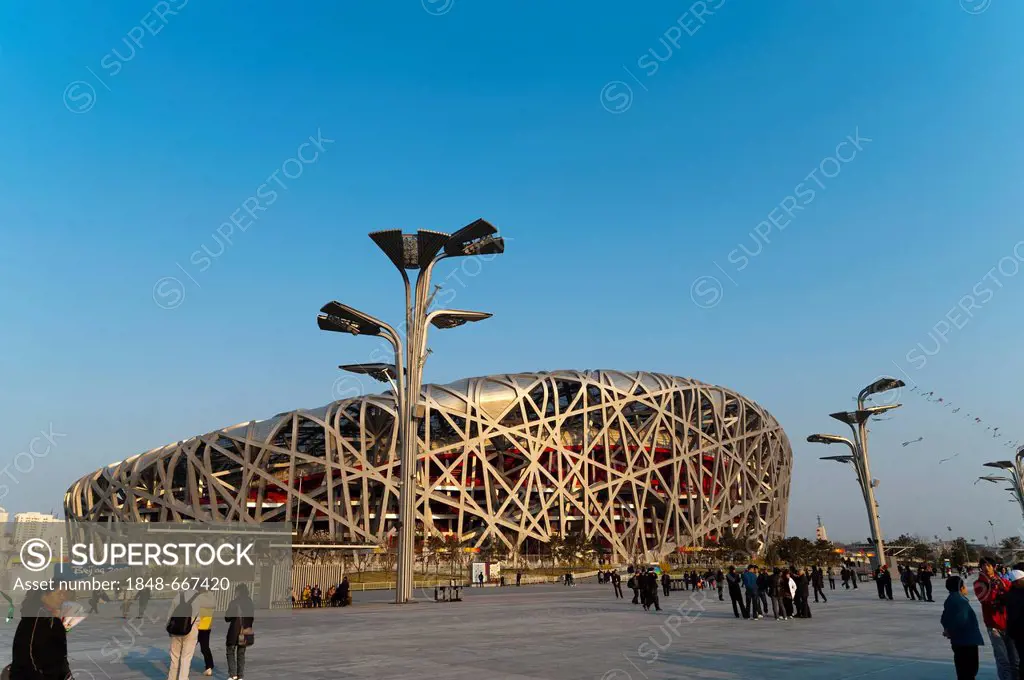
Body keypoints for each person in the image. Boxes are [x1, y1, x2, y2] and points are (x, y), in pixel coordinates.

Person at [10, 582, 72, 680]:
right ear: (44, 596)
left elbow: (61, 656)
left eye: (65, 593)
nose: (63, 597)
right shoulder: (33, 620)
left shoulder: (55, 621)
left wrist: (67, 676)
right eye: (59, 593)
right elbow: (25, 656)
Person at [978, 559, 1020, 680]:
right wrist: (994, 588)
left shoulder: (1003, 580)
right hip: (994, 625)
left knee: (1015, 658)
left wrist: (1003, 587)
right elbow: (984, 599)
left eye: (989, 565)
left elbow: (1013, 595)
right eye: (983, 566)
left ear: (994, 567)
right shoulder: (980, 583)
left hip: (1008, 623)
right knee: (1003, 659)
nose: (986, 568)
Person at [942, 575, 985, 680]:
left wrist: (948, 629)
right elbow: (961, 620)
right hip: (967, 641)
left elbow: (944, 618)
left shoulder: (950, 599)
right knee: (969, 671)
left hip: (959, 641)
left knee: (963, 670)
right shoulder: (960, 601)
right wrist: (950, 631)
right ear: (961, 588)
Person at [166, 587, 201, 680]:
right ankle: (183, 678)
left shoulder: (178, 596)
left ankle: (171, 678)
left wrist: (169, 630)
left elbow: (170, 616)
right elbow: (198, 617)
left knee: (174, 657)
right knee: (186, 658)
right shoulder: (198, 598)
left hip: (176, 630)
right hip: (191, 630)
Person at [225, 584, 255, 680]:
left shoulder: (234, 603)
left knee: (230, 651)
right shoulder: (250, 602)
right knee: (241, 653)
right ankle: (240, 676)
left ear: (238, 592)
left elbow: (227, 618)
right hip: (245, 631)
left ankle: (232, 675)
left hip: (234, 631)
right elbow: (251, 618)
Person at [195, 588, 217, 677]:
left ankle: (182, 667)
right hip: (207, 626)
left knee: (188, 648)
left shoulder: (198, 598)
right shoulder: (212, 597)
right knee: (205, 648)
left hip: (197, 626)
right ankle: (209, 666)